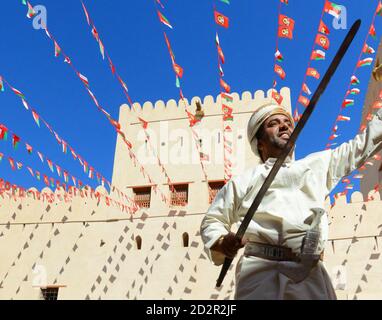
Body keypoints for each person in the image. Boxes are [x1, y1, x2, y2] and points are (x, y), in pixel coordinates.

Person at [200, 102, 382, 300]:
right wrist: (221, 241)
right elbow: (212, 220)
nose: (285, 126)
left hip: (310, 276)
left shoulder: (317, 165)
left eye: (287, 122)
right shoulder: (243, 181)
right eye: (274, 123)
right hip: (260, 276)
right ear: (259, 142)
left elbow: (362, 145)